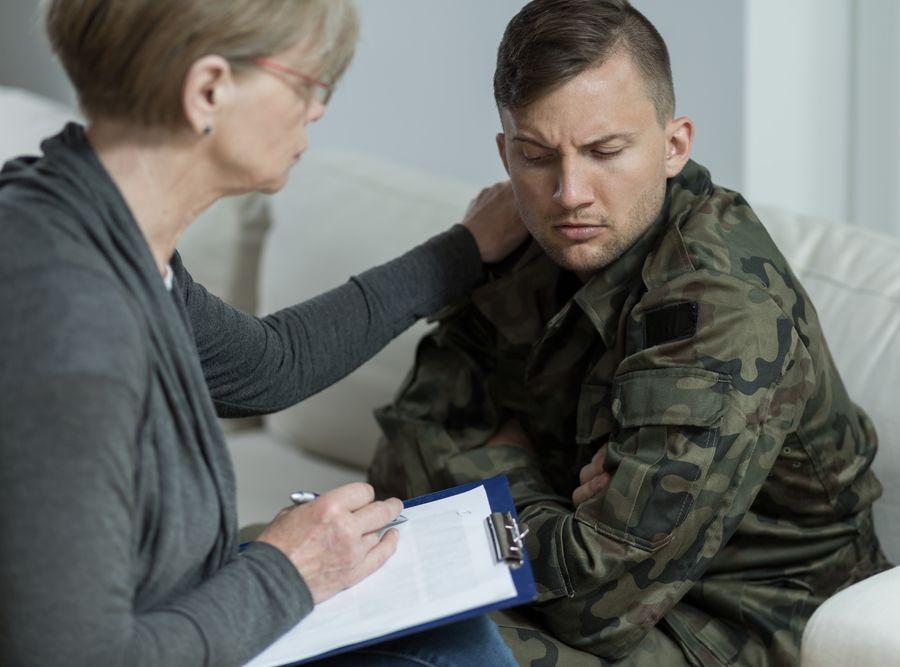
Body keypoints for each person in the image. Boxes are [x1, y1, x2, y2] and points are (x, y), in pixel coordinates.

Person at [0, 1, 526, 666]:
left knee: (460, 635)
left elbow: (268, 364)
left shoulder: (98, 225)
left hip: (176, 608)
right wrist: (288, 570)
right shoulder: (69, 322)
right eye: (309, 83)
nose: (318, 109)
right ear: (209, 89)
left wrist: (464, 250)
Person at [368, 1, 891, 665]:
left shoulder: (721, 308)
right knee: (271, 578)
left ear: (674, 146)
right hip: (572, 587)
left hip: (739, 620)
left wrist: (508, 468)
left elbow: (597, 604)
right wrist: (556, 512)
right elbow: (403, 445)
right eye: (536, 156)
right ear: (506, 154)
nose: (570, 193)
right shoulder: (530, 238)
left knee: (403, 647)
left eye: (604, 150)